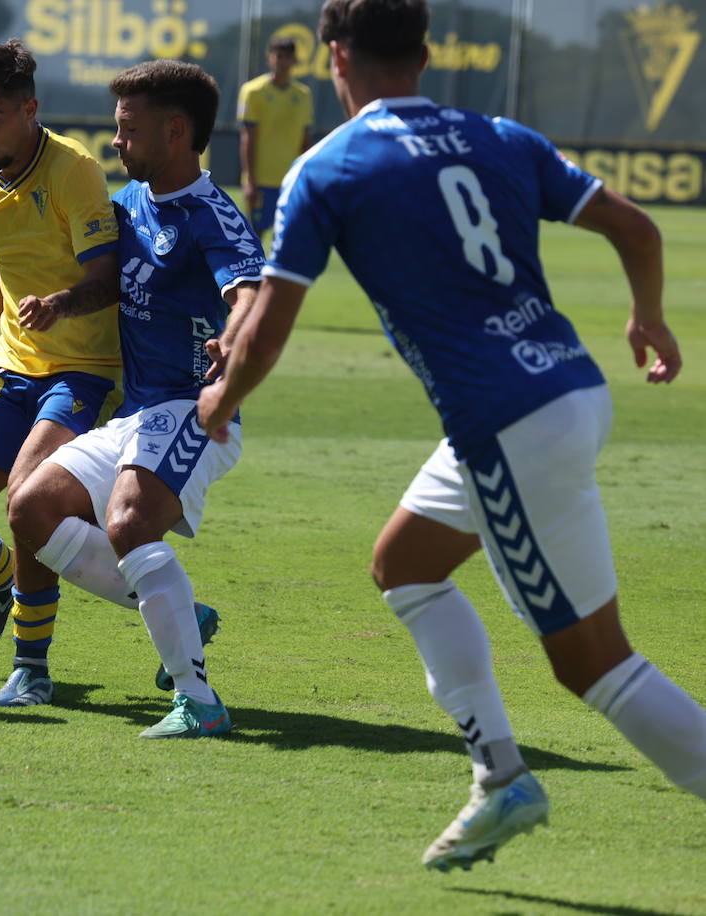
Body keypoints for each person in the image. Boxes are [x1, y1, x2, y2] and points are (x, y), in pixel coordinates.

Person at [199, 0, 706, 871]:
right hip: (567, 386)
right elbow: (638, 228)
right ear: (426, 57)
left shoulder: (331, 165)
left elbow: (269, 329)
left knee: (594, 664)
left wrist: (219, 400)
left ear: (335, 58)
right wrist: (647, 319)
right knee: (406, 565)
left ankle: (507, 776)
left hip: (504, 423)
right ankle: (500, 775)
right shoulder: (501, 133)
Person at [8, 59, 262, 736]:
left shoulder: (213, 218)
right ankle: (187, 613)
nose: (115, 142)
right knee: (30, 509)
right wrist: (64, 302)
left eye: (128, 128)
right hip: (139, 412)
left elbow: (248, 296)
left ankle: (199, 702)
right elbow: (110, 279)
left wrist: (232, 342)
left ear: (175, 133)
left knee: (128, 521)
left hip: (197, 408)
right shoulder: (129, 204)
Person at [0, 40, 125, 707]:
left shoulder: (74, 169)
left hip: (85, 369)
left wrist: (61, 305)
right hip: (14, 365)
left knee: (24, 502)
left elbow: (106, 274)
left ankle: (31, 669)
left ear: (29, 109)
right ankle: (5, 584)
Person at [237, 35, 313, 235]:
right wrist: (250, 180)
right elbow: (247, 137)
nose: (283, 62)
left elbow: (305, 140)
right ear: (269, 57)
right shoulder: (252, 91)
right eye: (279, 56)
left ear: (295, 60)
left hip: (291, 180)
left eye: (287, 57)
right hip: (261, 180)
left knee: (290, 236)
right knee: (254, 239)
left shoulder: (303, 95)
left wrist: (306, 178)